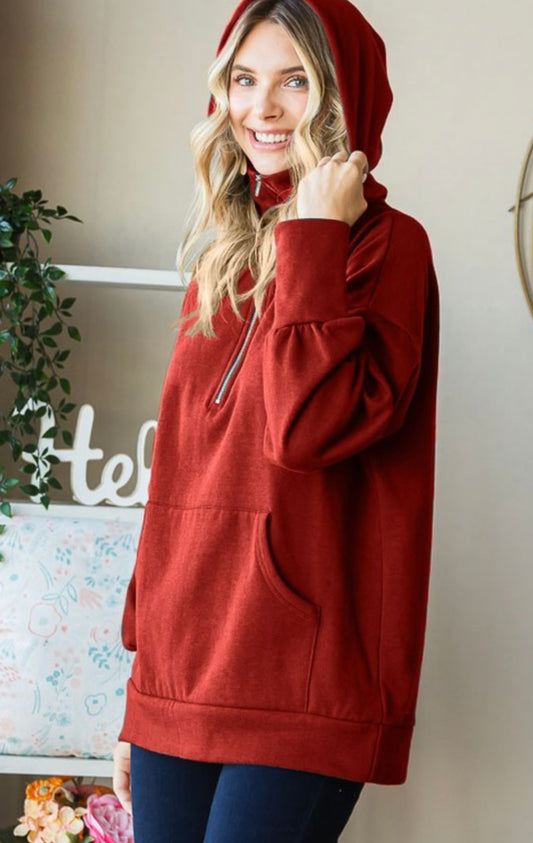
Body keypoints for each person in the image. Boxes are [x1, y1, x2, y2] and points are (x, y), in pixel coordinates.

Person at [113, 0, 440, 839]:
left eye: (293, 81)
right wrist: (139, 685)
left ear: (343, 96)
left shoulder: (388, 249)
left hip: (304, 676)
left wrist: (315, 237)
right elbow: (179, 475)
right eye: (243, 80)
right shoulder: (221, 250)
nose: (260, 108)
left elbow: (308, 430)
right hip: (181, 668)